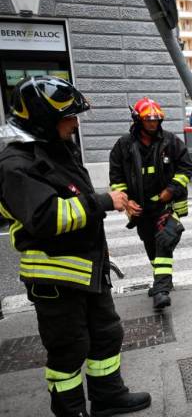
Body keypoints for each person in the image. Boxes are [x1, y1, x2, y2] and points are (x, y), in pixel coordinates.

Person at [0, 76, 151, 416]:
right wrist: (103, 202)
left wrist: (106, 206)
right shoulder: (15, 165)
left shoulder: (55, 151)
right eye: (69, 116)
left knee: (106, 334)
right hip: (55, 277)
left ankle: (107, 396)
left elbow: (73, 198)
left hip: (87, 269)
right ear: (44, 120)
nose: (75, 122)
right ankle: (70, 410)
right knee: (68, 349)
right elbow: (46, 216)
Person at [109, 97, 192, 310]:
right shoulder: (124, 145)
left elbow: (186, 168)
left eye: (156, 120)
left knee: (164, 241)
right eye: (148, 120)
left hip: (165, 206)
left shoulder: (170, 141)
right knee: (150, 245)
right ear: (138, 120)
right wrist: (127, 202)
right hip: (141, 209)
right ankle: (162, 279)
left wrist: (171, 190)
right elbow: (116, 177)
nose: (153, 124)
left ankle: (161, 290)